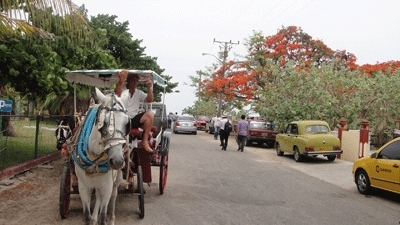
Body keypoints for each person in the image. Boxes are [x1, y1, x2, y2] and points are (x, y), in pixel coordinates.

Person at [115, 70, 154, 153]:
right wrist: (121, 80)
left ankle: (144, 141)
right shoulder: (122, 90)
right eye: (133, 80)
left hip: (133, 119)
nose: (135, 82)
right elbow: (116, 95)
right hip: (121, 119)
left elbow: (149, 100)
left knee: (150, 115)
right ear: (128, 81)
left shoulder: (138, 93)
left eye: (136, 80)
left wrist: (149, 88)